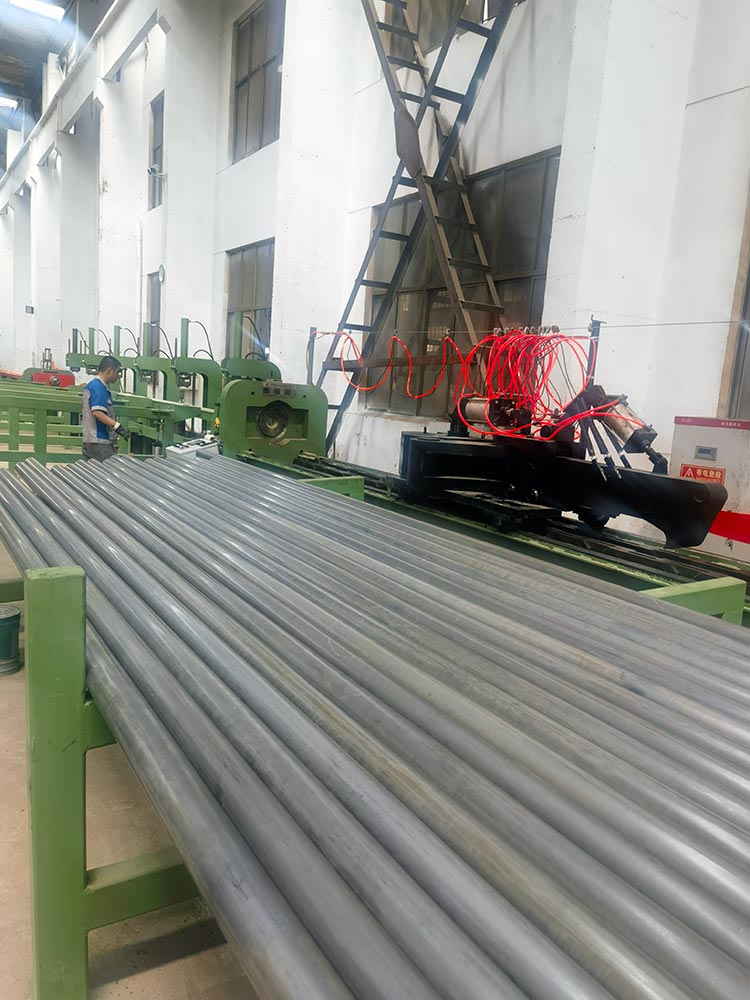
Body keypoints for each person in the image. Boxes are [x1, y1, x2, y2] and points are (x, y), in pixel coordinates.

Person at [82, 356, 131, 461]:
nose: (118, 376)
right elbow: (97, 412)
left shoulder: (93, 386)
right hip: (99, 443)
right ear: (110, 371)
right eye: (117, 372)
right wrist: (117, 426)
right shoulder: (98, 387)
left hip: (93, 442)